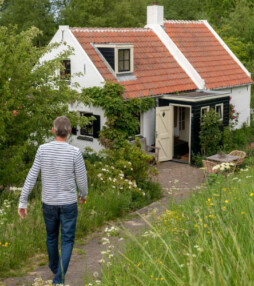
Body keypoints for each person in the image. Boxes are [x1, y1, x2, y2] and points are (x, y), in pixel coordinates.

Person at [18, 116, 88, 285]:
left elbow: (32, 176)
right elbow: (82, 180)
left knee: (51, 237)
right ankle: (58, 277)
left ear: (53, 130)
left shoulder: (42, 150)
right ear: (70, 132)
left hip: (48, 203)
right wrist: (83, 195)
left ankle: (56, 269)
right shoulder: (75, 152)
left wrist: (23, 201)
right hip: (68, 204)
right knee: (67, 240)